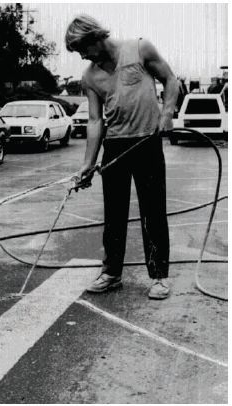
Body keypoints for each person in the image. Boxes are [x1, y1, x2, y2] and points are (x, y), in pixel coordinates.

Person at [65, 15, 179, 299]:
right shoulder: (90, 77)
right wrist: (87, 165)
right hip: (115, 146)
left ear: (95, 37)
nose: (82, 56)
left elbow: (170, 79)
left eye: (83, 49)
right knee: (113, 214)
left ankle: (159, 277)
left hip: (147, 142)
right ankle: (111, 273)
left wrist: (167, 113)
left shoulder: (140, 49)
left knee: (153, 211)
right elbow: (94, 121)